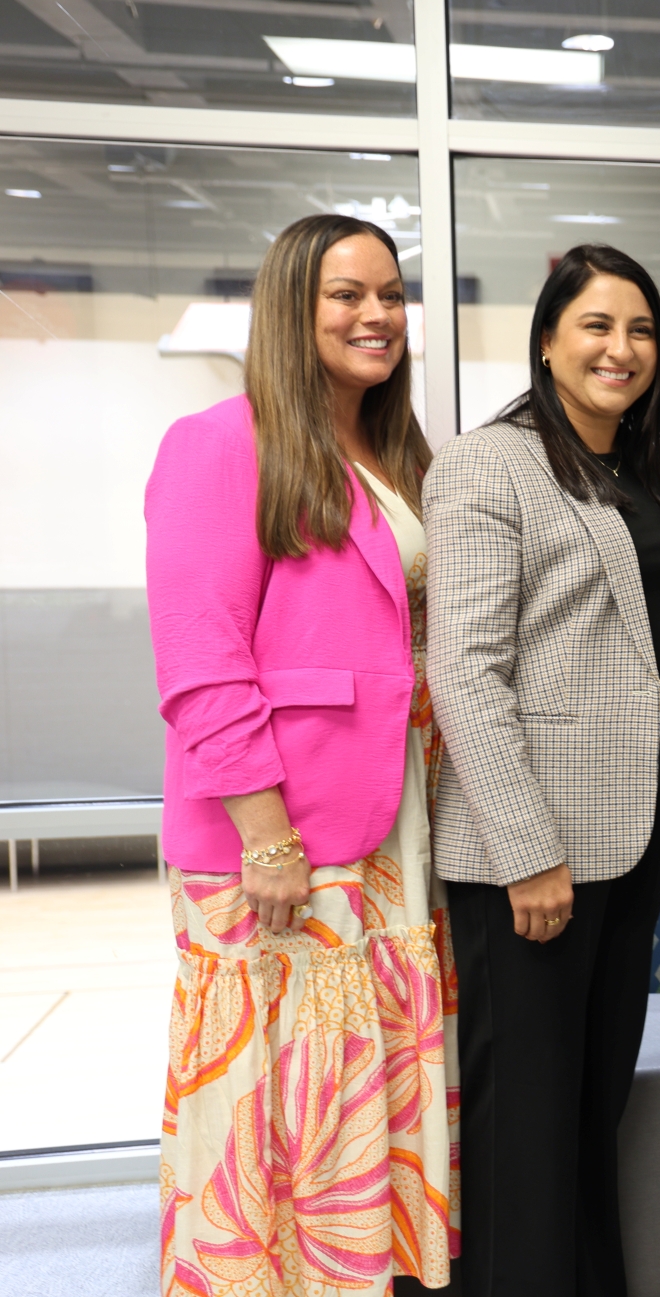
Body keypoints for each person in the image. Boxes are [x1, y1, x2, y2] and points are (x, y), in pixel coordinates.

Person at [147, 213, 456, 1295]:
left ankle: (355, 1273)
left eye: (389, 294)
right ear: (292, 307)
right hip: (280, 830)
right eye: (346, 296)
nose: (376, 315)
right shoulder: (222, 442)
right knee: (276, 1094)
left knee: (350, 1082)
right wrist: (265, 831)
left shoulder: (395, 450)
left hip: (391, 812)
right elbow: (199, 657)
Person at [425, 243, 660, 1296]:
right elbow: (464, 671)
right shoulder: (493, 463)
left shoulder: (641, 465)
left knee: (588, 1114)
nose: (619, 348)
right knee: (523, 1131)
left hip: (629, 835)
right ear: (546, 338)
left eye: (639, 328)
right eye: (595, 325)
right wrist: (529, 853)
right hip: (528, 862)